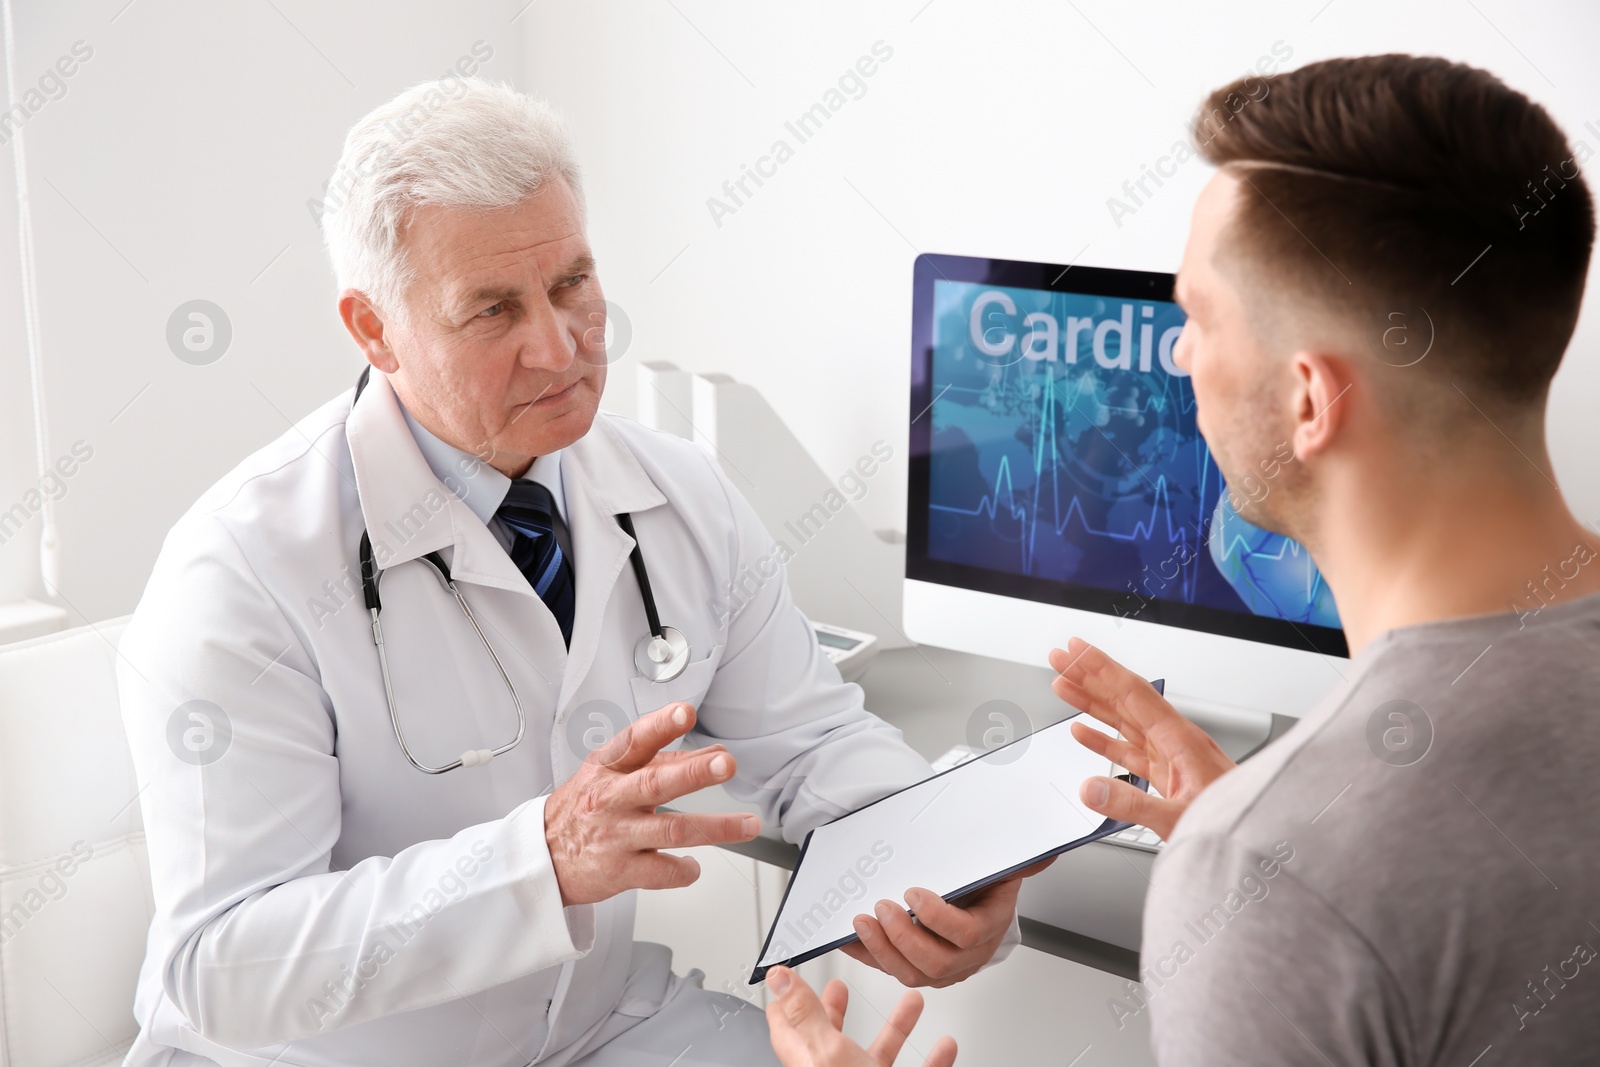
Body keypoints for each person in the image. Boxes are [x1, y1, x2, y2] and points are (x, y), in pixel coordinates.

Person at [116, 78, 1039, 1067]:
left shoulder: (679, 493)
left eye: (571, 285)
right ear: (374, 329)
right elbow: (220, 968)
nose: (558, 347)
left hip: (588, 1031)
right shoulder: (243, 568)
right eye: (492, 311)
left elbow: (809, 739)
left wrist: (926, 870)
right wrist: (537, 864)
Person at [766, 53, 1600, 1066]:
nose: (1174, 355)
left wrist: (1256, 852)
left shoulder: (1267, 878)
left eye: (1197, 317)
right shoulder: (1284, 859)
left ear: (1307, 401)